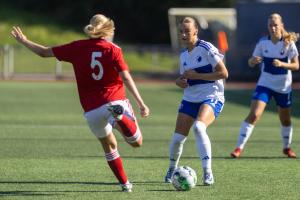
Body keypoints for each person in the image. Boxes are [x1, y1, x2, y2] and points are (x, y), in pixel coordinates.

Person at [11, 14, 150, 192]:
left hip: (92, 110)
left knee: (109, 147)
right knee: (136, 142)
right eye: (112, 27)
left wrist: (24, 41)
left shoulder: (77, 47)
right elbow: (126, 77)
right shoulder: (113, 50)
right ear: (107, 30)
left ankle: (125, 184)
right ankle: (120, 117)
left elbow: (44, 52)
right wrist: (141, 103)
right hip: (114, 100)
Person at [164, 17, 228, 186]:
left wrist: (198, 75)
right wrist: (179, 82)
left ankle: (208, 172)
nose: (184, 34)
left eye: (187, 31)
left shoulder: (206, 48)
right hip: (190, 98)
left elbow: (224, 73)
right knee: (177, 138)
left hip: (211, 96)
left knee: (199, 127)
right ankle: (172, 169)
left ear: (196, 32)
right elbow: (184, 78)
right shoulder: (183, 55)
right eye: (181, 32)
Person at [230, 13, 299, 159]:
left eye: (275, 25)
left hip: (283, 87)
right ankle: (238, 148)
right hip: (265, 84)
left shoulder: (288, 43)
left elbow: (296, 65)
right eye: (270, 25)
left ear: (281, 25)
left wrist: (282, 64)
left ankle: (287, 148)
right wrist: (253, 61)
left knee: (285, 120)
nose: (273, 28)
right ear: (268, 27)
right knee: (254, 114)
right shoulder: (262, 43)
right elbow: (250, 62)